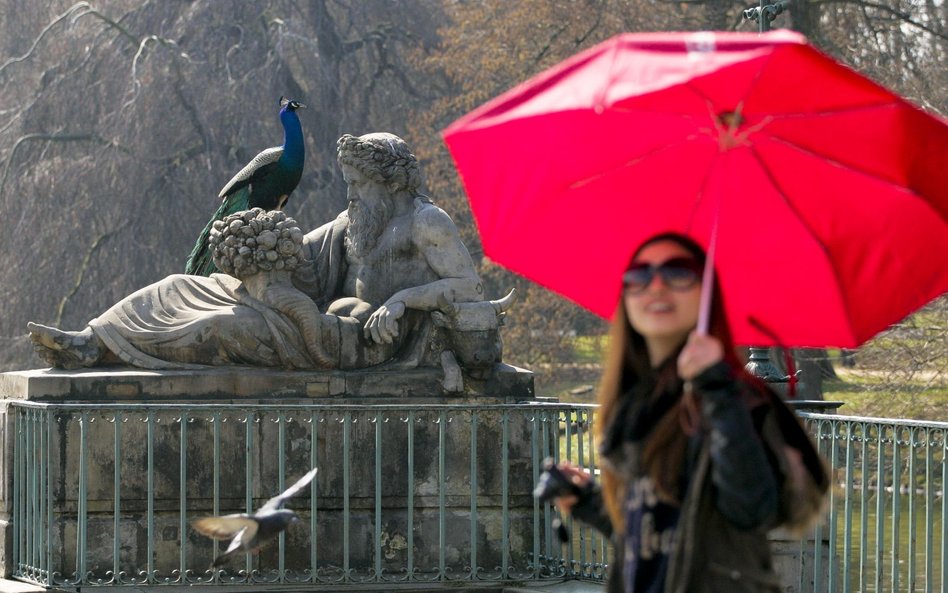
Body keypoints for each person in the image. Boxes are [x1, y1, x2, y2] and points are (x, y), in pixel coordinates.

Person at [28, 133, 483, 371]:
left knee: (216, 326)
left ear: (391, 182)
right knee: (180, 285)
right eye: (350, 184)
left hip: (349, 339)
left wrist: (403, 299)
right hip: (312, 313)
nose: (353, 194)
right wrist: (256, 242)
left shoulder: (426, 222)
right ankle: (93, 340)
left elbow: (467, 286)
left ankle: (111, 353)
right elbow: (297, 251)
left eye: (360, 184)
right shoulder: (355, 220)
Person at [551, 233, 827, 593]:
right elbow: (655, 536)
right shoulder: (637, 404)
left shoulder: (739, 399)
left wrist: (716, 387)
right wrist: (588, 502)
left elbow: (751, 509)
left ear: (706, 294)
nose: (657, 285)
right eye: (639, 274)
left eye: (678, 272)